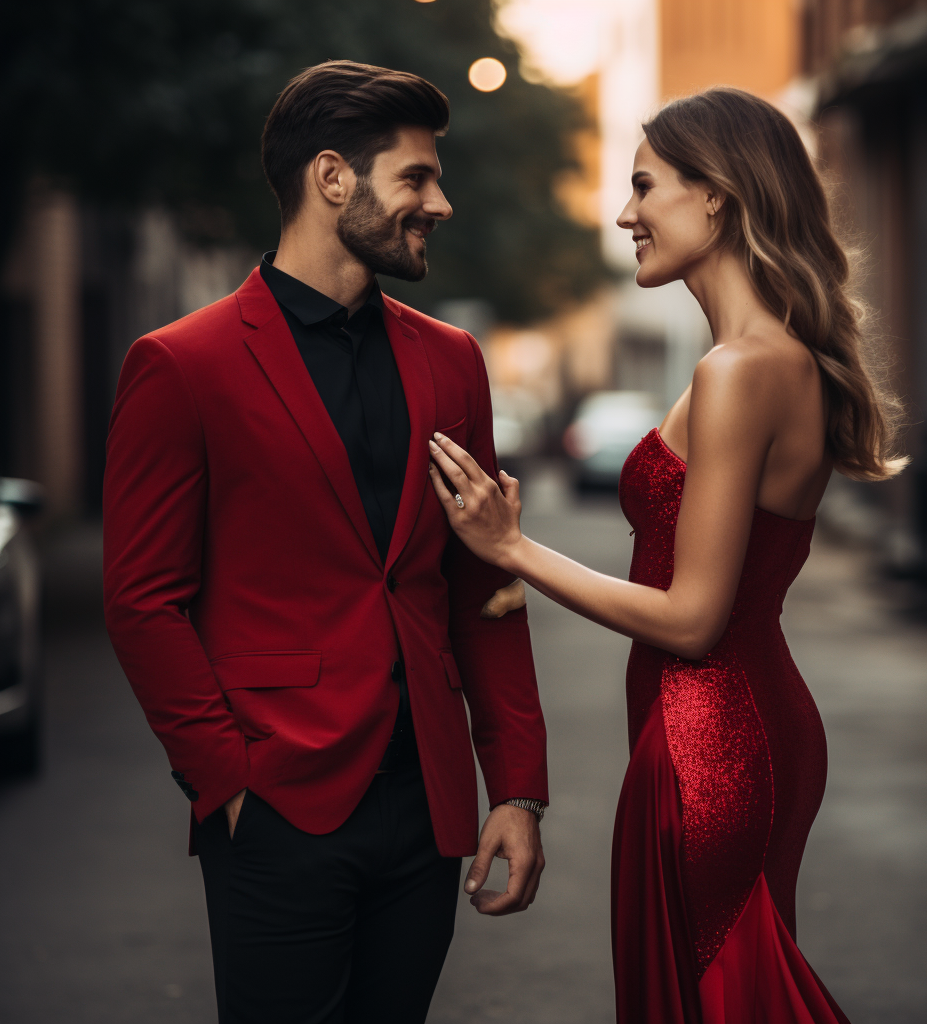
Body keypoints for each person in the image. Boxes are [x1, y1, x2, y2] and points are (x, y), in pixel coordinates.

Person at [428, 87, 905, 1024]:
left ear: (718, 197)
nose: (625, 213)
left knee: (723, 999)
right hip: (735, 727)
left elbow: (693, 620)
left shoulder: (738, 371)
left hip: (709, 738)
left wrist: (512, 548)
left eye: (644, 187)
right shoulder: (776, 358)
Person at [103, 60, 548, 1024]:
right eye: (418, 179)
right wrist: (224, 780)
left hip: (425, 811)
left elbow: (485, 581)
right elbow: (143, 599)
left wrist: (516, 789)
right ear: (334, 177)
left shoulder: (452, 361)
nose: (441, 203)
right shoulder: (183, 365)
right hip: (276, 803)